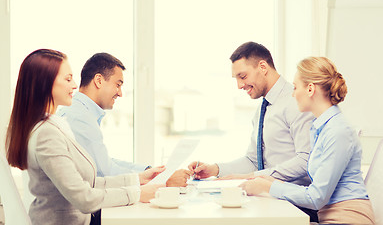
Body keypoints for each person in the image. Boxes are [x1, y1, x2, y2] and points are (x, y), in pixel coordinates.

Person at [5, 49, 161, 225]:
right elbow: (84, 197)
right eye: (68, 78)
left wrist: (138, 178)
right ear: (45, 83)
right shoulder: (46, 134)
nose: (74, 85)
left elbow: (89, 182)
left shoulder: (56, 124)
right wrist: (137, 193)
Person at [188, 41, 317, 221]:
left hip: (295, 206)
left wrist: (252, 178)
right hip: (269, 200)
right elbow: (254, 160)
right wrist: (215, 169)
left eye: (243, 76)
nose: (239, 85)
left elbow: (306, 160)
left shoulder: (296, 102)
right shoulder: (262, 110)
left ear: (262, 67)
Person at [239, 57, 375, 224]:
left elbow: (316, 197)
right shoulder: (320, 128)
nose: (293, 94)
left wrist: (269, 187)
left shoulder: (338, 131)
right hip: (329, 216)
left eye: (295, 87)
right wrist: (270, 181)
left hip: (347, 218)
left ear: (310, 89)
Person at [57, 52, 191, 186]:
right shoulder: (79, 117)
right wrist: (160, 179)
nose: (120, 93)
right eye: (118, 84)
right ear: (98, 80)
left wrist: (148, 171)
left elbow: (104, 162)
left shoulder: (80, 112)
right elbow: (105, 172)